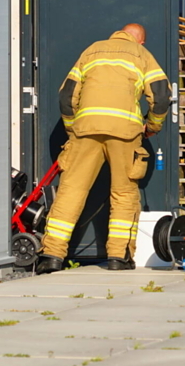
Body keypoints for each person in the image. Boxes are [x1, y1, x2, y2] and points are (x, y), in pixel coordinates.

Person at [37, 23, 171, 273]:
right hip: (125, 132)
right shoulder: (142, 55)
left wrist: (72, 128)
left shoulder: (92, 51)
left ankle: (51, 255)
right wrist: (152, 126)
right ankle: (118, 257)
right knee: (123, 193)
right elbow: (161, 95)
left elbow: (67, 95)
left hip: (85, 130)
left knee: (71, 191)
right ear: (140, 41)